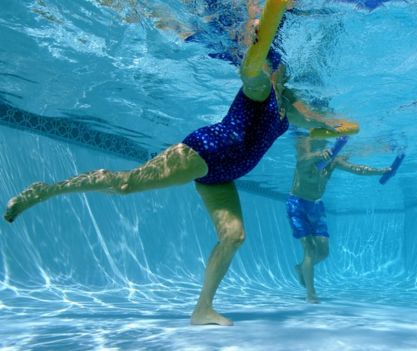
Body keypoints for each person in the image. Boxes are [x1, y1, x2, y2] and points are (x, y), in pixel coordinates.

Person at [3, 0, 337, 326]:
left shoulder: (286, 108)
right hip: (207, 152)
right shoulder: (260, 86)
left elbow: (317, 122)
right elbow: (251, 67)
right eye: (273, 64)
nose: (275, 69)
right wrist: (260, 39)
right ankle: (45, 191)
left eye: (280, 68)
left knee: (233, 236)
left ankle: (202, 309)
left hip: (226, 174)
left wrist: (340, 127)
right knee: (125, 184)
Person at [288, 135, 390, 303]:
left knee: (323, 253)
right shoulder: (306, 161)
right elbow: (302, 160)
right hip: (297, 205)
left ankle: (301, 268)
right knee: (310, 250)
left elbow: (357, 169)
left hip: (316, 206)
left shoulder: (333, 162)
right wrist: (318, 155)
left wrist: (381, 170)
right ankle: (311, 294)